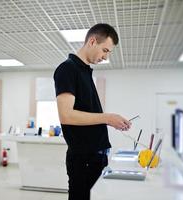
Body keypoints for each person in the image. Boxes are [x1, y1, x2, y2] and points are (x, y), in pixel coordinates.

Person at [53, 23, 132, 200]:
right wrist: (107, 118)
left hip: (96, 156)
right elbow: (66, 115)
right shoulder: (67, 69)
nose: (105, 57)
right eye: (105, 50)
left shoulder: (85, 72)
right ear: (92, 41)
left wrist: (111, 120)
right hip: (84, 159)